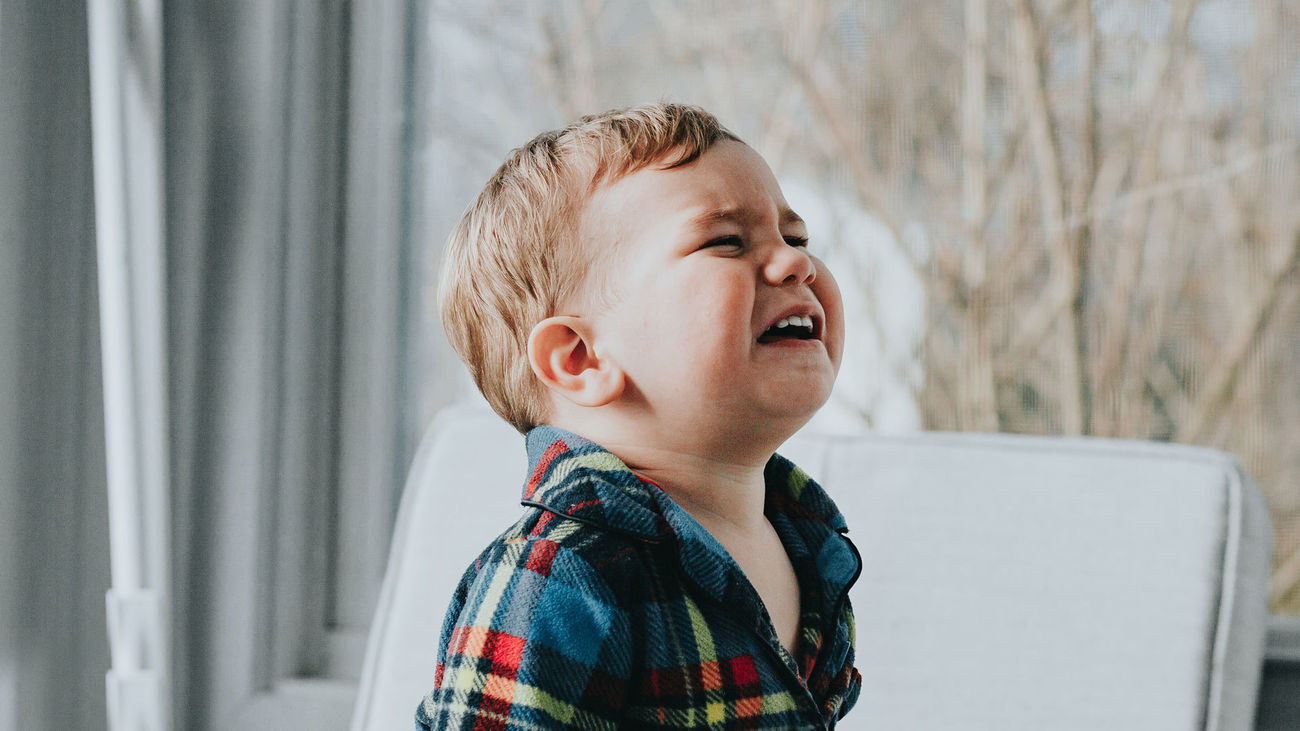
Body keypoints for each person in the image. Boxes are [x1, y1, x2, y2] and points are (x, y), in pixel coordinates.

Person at [418, 103, 861, 730]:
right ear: (580, 357)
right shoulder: (557, 577)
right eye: (727, 242)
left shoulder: (810, 550)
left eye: (796, 238)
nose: (797, 264)